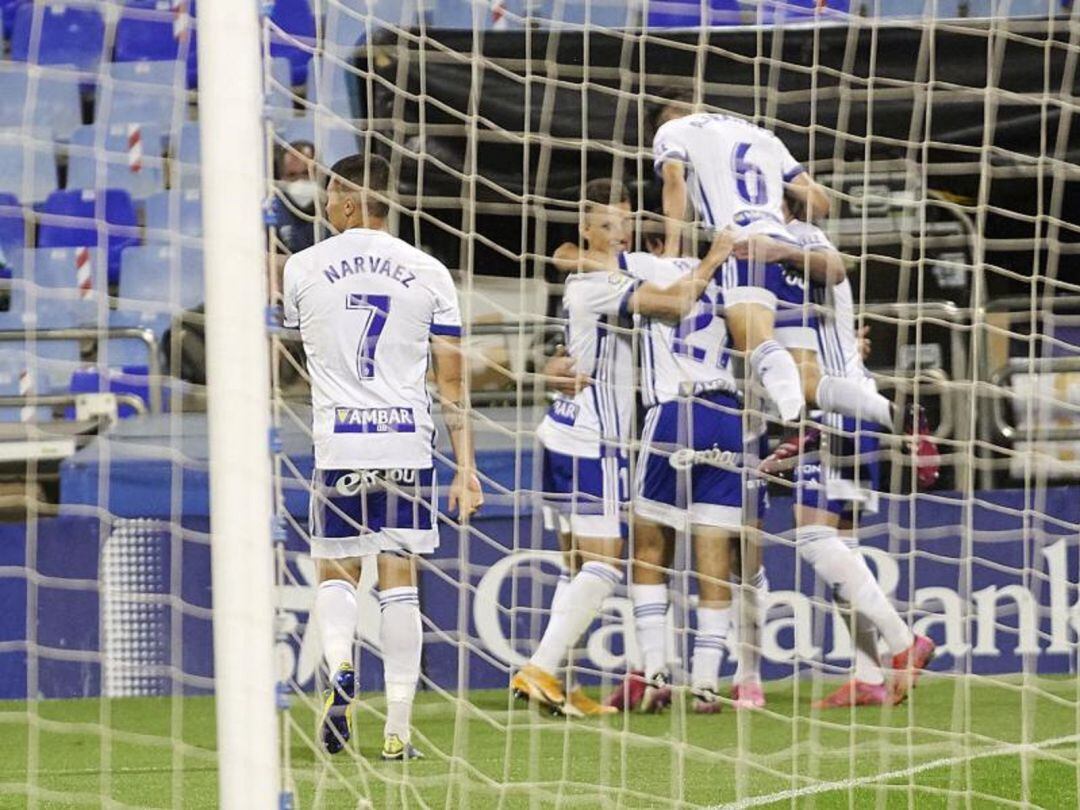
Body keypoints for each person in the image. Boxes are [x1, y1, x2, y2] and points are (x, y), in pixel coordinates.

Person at [282, 152, 483, 760]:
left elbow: (297, 346)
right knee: (400, 585)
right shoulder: (428, 271)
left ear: (347, 201)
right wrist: (466, 468)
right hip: (405, 439)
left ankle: (340, 665)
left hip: (340, 438)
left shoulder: (302, 267)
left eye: (327, 196)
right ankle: (397, 728)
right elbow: (452, 383)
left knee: (337, 570)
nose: (322, 207)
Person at [510, 179, 735, 717]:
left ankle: (558, 681)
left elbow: (566, 260)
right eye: (607, 225)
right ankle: (540, 668)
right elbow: (679, 304)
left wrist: (554, 368)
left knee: (577, 571)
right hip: (593, 442)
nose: (620, 234)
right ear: (587, 229)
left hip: (558, 431)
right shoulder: (604, 282)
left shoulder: (594, 275)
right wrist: (715, 257)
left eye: (624, 223)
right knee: (607, 568)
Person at [751, 201, 937, 706]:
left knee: (813, 539)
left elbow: (797, 352)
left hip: (832, 411)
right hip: (850, 398)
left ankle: (903, 642)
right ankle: (870, 675)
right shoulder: (807, 244)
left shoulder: (790, 247)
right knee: (843, 551)